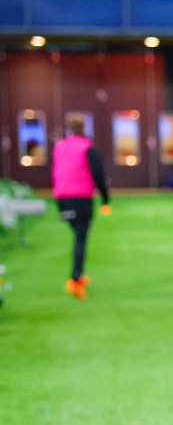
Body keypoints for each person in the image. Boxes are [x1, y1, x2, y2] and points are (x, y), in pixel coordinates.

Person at [51, 117, 111, 300]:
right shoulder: (87, 148)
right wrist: (105, 198)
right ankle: (75, 278)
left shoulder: (60, 147)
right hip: (81, 199)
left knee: (77, 235)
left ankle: (78, 274)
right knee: (80, 238)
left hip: (61, 198)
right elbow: (99, 174)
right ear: (84, 129)